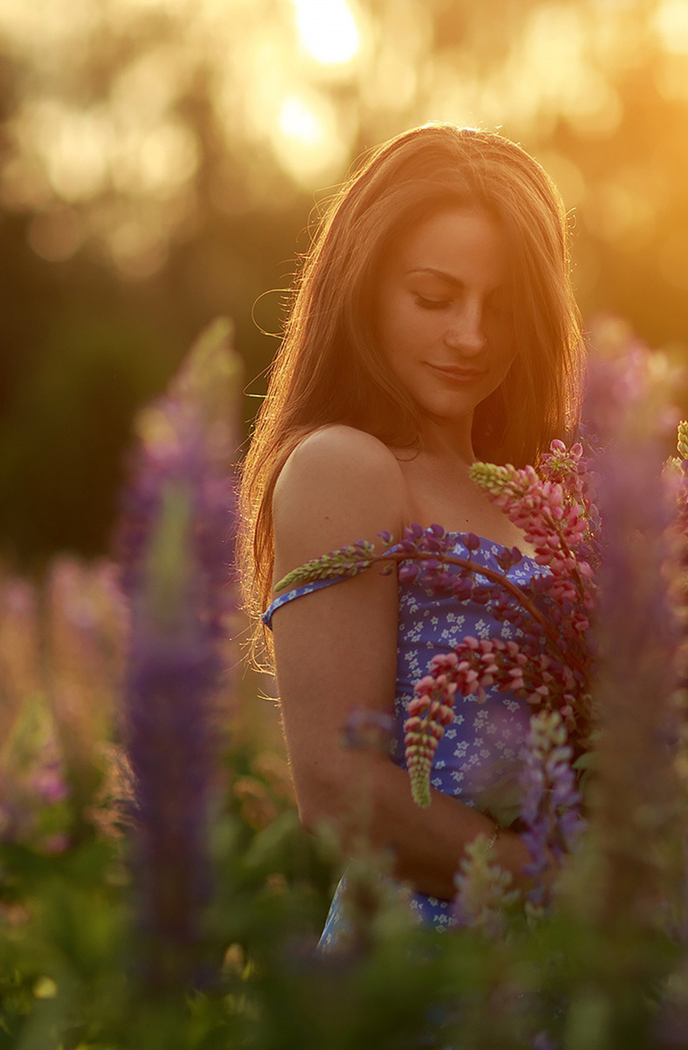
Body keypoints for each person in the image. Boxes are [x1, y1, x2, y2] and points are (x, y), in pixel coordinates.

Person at [236, 124, 583, 941]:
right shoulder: (345, 468)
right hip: (418, 971)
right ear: (363, 288)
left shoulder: (549, 492)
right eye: (434, 297)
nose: (470, 336)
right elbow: (336, 790)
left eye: (503, 308)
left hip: (578, 979)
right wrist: (564, 888)